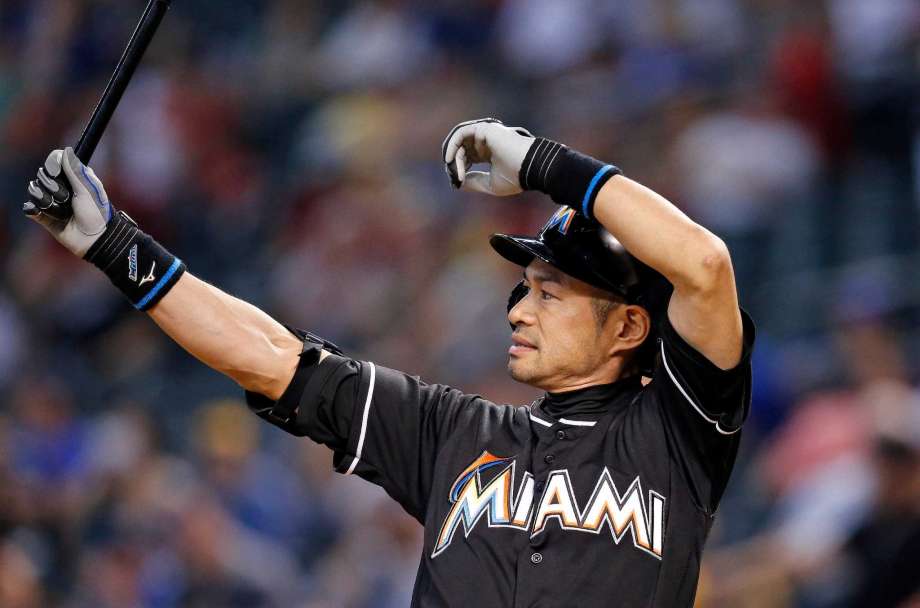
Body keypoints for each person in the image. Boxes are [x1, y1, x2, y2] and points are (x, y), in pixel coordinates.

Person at [24, 118, 754, 607]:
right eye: (523, 290)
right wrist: (116, 247)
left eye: (550, 293)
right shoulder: (451, 432)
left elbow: (702, 263)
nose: (518, 310)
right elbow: (273, 358)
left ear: (628, 326)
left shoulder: (678, 434)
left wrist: (541, 163)